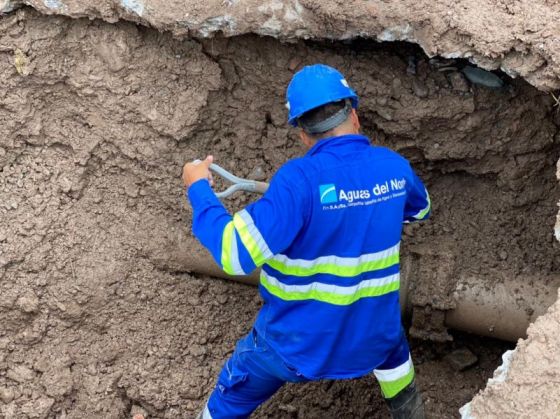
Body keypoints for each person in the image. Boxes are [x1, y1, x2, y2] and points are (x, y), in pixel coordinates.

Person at [183, 64, 431, 419]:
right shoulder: (394, 167)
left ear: (302, 133)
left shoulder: (298, 182)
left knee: (232, 394)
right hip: (374, 341)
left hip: (294, 350)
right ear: (355, 114)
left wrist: (198, 188)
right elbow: (420, 210)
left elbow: (234, 252)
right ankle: (410, 412)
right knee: (393, 350)